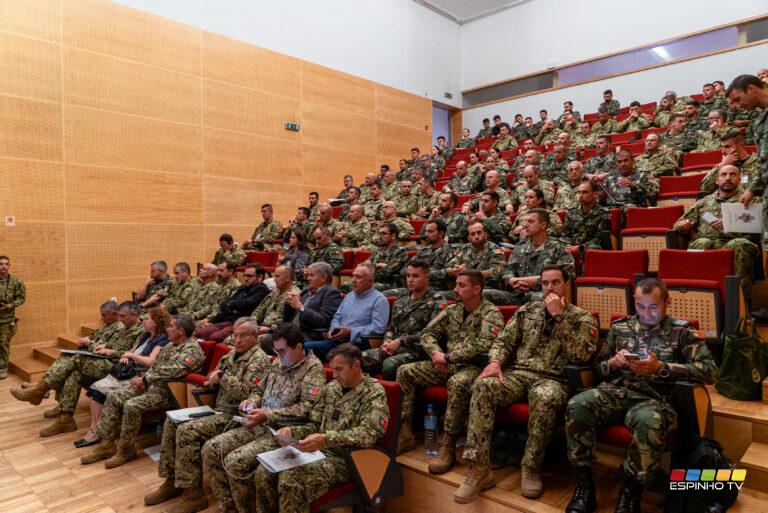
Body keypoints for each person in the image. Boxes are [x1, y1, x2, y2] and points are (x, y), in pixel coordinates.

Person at [565, 278, 716, 513]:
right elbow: (599, 367)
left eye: (654, 306)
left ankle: (631, 491)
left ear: (667, 302)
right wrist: (613, 363)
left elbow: (709, 371)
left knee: (650, 421)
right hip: (616, 392)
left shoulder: (682, 331)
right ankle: (584, 485)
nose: (647, 313)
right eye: (641, 306)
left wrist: (662, 368)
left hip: (655, 399)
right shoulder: (620, 327)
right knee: (577, 405)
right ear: (634, 302)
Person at [457, 266, 598, 503]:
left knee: (544, 397)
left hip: (552, 379)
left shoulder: (582, 318)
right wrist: (495, 362)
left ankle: (531, 466)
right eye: (545, 283)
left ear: (566, 285)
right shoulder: (527, 309)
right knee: (483, 385)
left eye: (555, 283)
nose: (549, 288)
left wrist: (559, 317)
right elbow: (503, 341)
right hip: (518, 375)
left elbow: (581, 356)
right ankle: (479, 469)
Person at [144, 317, 271, 513]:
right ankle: (172, 481)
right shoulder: (232, 354)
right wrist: (213, 376)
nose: (237, 340)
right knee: (172, 421)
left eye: (243, 336)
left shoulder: (259, 359)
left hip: (235, 416)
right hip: (216, 409)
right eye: (234, 335)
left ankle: (193, 495)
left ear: (255, 336)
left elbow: (249, 393)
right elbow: (215, 371)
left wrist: (223, 377)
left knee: (188, 431)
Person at [201, 323, 326, 512]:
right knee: (211, 449)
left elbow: (307, 408)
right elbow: (259, 389)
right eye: (276, 351)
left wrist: (268, 413)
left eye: (283, 351)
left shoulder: (313, 369)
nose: (278, 356)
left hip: (282, 432)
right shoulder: (277, 362)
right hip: (258, 422)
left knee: (234, 462)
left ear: (299, 347)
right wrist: (250, 401)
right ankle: (230, 506)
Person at [253, 343, 389, 513]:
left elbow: (369, 434)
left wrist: (326, 439)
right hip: (317, 453)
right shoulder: (332, 388)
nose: (335, 375)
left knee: (291, 477)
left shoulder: (374, 392)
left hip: (347, 460)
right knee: (264, 471)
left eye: (340, 369)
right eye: (333, 369)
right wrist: (292, 432)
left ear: (356, 365)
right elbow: (315, 424)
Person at [396, 270, 503, 464]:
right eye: (456, 284)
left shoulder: (491, 313)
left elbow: (485, 343)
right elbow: (427, 333)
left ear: (477, 289)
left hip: (472, 368)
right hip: (444, 364)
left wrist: (448, 357)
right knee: (405, 371)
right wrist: (437, 354)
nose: (455, 289)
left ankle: (448, 445)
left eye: (461, 285)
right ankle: (405, 433)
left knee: (457, 382)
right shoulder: (452, 309)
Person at [80, 313, 205, 469]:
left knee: (132, 405)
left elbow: (173, 371)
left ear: (180, 330)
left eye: (171, 326)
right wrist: (143, 382)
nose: (167, 329)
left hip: (170, 392)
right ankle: (106, 444)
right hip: (152, 386)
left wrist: (145, 380)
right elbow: (154, 367)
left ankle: (126, 450)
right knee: (114, 395)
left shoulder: (192, 350)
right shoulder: (170, 346)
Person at [10, 301, 144, 437]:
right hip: (105, 361)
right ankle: (65, 419)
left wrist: (111, 351)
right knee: (74, 374)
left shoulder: (141, 331)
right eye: (119, 316)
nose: (120, 319)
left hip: (117, 368)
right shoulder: (125, 326)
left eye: (123, 316)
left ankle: (41, 389)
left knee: (75, 358)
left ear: (134, 315)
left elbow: (135, 353)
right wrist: (103, 347)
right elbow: (112, 344)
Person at [76, 306, 171, 448]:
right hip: (128, 370)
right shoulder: (145, 335)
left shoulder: (162, 340)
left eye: (148, 318)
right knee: (94, 390)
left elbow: (150, 361)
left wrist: (131, 356)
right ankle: (95, 429)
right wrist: (126, 356)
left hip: (139, 375)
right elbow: (130, 351)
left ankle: (97, 432)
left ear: (157, 321)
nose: (144, 320)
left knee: (100, 391)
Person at [672, 165, 760, 307]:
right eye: (724, 175)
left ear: (739, 179)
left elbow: (760, 224)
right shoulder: (704, 202)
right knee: (702, 242)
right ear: (717, 180)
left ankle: (740, 305)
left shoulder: (750, 200)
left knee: (737, 245)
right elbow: (678, 225)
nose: (728, 178)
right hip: (707, 244)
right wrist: (684, 226)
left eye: (733, 175)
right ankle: (699, 298)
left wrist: (731, 222)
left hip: (735, 243)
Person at [362, 259, 442, 379]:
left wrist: (400, 341)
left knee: (390, 366)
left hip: (418, 351)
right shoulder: (401, 299)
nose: (410, 279)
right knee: (359, 358)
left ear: (427, 277)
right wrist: (387, 342)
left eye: (415, 276)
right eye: (408, 275)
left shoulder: (437, 301)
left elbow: (431, 333)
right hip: (394, 347)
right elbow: (391, 327)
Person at [304, 263, 389, 360]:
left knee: (306, 349)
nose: (353, 281)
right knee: (300, 347)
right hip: (337, 342)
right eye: (353, 276)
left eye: (358, 277)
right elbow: (337, 317)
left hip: (358, 345)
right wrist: (333, 330)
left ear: (370, 280)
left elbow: (379, 327)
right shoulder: (349, 296)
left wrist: (351, 331)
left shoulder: (379, 300)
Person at [503, 209, 575, 305]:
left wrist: (535, 281)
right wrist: (511, 280)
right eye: (525, 221)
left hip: (544, 294)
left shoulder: (558, 247)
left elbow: (568, 274)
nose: (525, 225)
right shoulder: (520, 246)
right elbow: (508, 269)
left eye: (530, 221)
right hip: (517, 294)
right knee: (484, 294)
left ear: (543, 225)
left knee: (550, 298)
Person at [194, 264, 269, 341]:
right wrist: (232, 306)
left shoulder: (262, 289)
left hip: (240, 323)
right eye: (244, 275)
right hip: (227, 319)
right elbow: (225, 304)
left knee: (215, 337)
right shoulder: (243, 287)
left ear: (259, 277)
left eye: (249, 276)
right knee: (200, 333)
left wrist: (232, 305)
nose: (246, 278)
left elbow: (247, 304)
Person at [444, 221, 506, 302]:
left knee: (475, 294)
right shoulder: (465, 249)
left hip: (485, 288)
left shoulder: (495, 250)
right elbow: (448, 267)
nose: (476, 236)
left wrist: (469, 274)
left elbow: (497, 271)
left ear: (485, 234)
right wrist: (454, 270)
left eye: (479, 233)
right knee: (439, 296)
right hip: (463, 289)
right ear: (468, 238)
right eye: (472, 234)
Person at [245, 265, 300, 353]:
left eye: (277, 276)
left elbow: (290, 325)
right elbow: (259, 310)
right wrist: (252, 325)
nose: (274, 279)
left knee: (249, 342)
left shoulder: (294, 296)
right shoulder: (274, 292)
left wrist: (269, 329)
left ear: (288, 278)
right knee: (232, 338)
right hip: (261, 329)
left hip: (277, 333)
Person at [287, 262, 343, 341]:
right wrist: (289, 303)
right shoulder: (306, 291)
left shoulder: (331, 292)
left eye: (312, 275)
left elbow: (323, 320)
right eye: (307, 275)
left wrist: (301, 307)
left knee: (270, 341)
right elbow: (291, 316)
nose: (308, 278)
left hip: (310, 335)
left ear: (323, 277)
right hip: (292, 331)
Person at [700, 131, 760, 197]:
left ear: (741, 146)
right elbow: (705, 188)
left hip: (754, 203)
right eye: (722, 147)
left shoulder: (760, 162)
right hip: (728, 204)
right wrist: (723, 165)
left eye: (727, 147)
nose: (723, 151)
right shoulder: (723, 165)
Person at [562, 181, 610, 256]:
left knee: (593, 248)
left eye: (585, 192)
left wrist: (580, 247)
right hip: (571, 246)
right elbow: (565, 235)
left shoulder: (603, 213)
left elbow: (600, 239)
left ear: (595, 194)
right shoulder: (571, 213)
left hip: (589, 248)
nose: (580, 195)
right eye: (579, 192)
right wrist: (569, 246)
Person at [0, 255, 25, 378]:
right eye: (1, 264)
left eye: (6, 264)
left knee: (3, 343)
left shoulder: (16, 281)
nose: (3, 266)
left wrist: (9, 305)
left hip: (6, 319)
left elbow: (22, 298)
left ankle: (3, 368)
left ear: (9, 266)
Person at [368, 223, 409, 291]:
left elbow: (388, 272)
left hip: (390, 284)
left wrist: (372, 268)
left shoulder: (401, 252)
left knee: (366, 287)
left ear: (393, 236)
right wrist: (378, 265)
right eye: (380, 234)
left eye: (383, 234)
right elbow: (365, 266)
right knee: (346, 285)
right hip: (373, 281)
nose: (380, 236)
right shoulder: (377, 251)